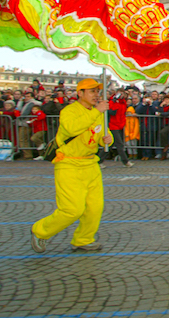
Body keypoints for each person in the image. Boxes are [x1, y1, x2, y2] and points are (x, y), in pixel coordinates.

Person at [30, 79, 112, 253]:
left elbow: (101, 133)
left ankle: (83, 238)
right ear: (80, 93)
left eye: (97, 91)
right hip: (69, 164)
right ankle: (40, 231)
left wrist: (107, 139)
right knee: (72, 209)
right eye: (91, 91)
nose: (96, 95)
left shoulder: (98, 113)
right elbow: (73, 128)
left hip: (90, 163)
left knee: (94, 207)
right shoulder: (69, 111)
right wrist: (97, 111)